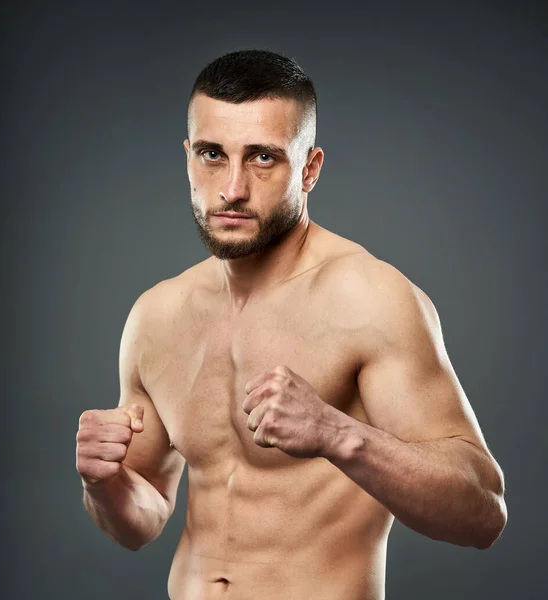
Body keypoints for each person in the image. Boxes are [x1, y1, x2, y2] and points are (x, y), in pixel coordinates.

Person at [75, 49, 507, 600]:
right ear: (187, 157)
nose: (231, 188)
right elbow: (143, 518)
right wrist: (103, 484)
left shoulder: (370, 299)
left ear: (310, 167)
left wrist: (337, 435)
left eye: (262, 158)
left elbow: (483, 514)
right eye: (212, 154)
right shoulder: (156, 315)